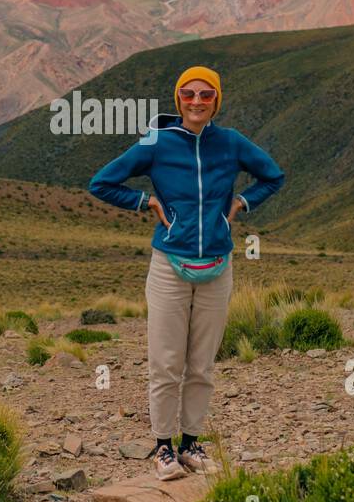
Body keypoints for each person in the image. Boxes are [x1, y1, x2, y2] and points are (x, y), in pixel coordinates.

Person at [89, 67, 284, 480]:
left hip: (217, 265)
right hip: (169, 267)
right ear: (178, 100)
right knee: (165, 362)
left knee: (201, 364)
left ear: (217, 99)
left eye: (206, 94)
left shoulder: (230, 142)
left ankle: (191, 444)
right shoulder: (157, 143)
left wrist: (240, 205)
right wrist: (147, 203)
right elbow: (101, 182)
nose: (198, 101)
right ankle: (163, 449)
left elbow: (273, 176)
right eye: (189, 94)